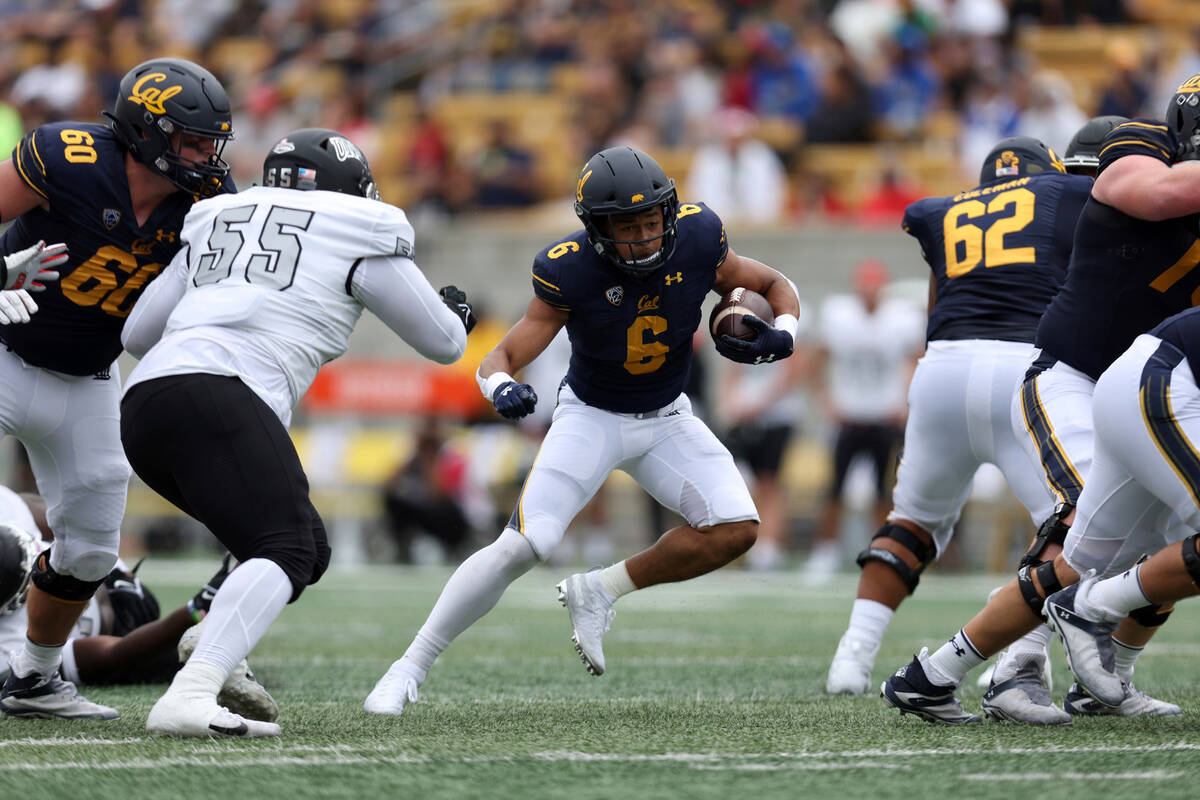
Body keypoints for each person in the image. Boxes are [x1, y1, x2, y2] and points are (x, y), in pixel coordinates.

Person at [363, 145, 801, 715]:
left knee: (736, 530)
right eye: (628, 228)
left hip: (669, 416)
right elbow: (498, 359)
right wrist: (502, 389)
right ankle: (409, 667)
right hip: (590, 416)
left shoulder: (698, 235)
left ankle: (600, 589)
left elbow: (773, 282)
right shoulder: (569, 268)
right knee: (526, 545)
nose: (645, 238)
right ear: (597, 230)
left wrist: (785, 332)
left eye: (651, 222)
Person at [118, 128, 473, 738]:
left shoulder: (218, 219)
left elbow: (137, 334)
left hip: (146, 402)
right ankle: (193, 689)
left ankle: (214, 638)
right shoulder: (356, 227)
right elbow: (443, 342)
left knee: (306, 544)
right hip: (223, 392)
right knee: (287, 547)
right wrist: (457, 311)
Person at [880, 78, 1200, 724]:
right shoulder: (1139, 146)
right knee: (1080, 531)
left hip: (1142, 385)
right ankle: (1017, 670)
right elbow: (1158, 192)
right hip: (1070, 376)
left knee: (1097, 552)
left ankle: (932, 673)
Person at [0, 57, 236, 722]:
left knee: (94, 546)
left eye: (211, 141)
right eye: (192, 140)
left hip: (88, 378)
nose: (206, 155)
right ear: (147, 130)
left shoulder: (209, 197)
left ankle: (35, 680)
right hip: (4, 345)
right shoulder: (65, 155)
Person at [825, 137, 1091, 722]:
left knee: (913, 519)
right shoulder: (1068, 192)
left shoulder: (945, 210)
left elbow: (935, 300)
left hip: (943, 365)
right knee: (1075, 523)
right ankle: (1018, 663)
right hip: (1025, 367)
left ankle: (852, 657)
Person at [0, 485, 274, 720]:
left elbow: (48, 512)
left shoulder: (9, 511)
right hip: (126, 627)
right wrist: (197, 607)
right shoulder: (9, 648)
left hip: (109, 576)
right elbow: (114, 654)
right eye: (35, 578)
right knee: (190, 657)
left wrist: (91, 539)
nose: (44, 572)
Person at [1042, 305, 1200, 710]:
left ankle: (935, 673)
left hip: (1148, 380)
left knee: (1080, 561)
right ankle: (1087, 607)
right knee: (1080, 561)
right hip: (1161, 382)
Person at [804, 259, 923, 581]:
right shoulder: (839, 315)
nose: (870, 291)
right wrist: (823, 398)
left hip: (886, 417)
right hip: (849, 417)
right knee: (834, 489)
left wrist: (908, 401)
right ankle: (825, 552)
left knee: (884, 492)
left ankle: (882, 550)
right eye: (865, 284)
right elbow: (816, 358)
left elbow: (917, 360)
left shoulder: (901, 318)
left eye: (875, 284)